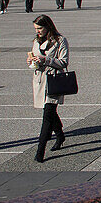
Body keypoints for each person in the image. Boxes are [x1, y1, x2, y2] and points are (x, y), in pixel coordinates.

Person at [27, 14, 69, 162]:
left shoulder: (59, 40)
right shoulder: (36, 41)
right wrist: (32, 61)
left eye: (40, 28)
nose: (37, 31)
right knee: (50, 112)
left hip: (54, 80)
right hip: (40, 80)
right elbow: (34, 58)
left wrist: (47, 60)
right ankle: (60, 135)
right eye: (36, 29)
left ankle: (40, 150)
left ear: (48, 27)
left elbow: (64, 62)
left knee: (48, 115)